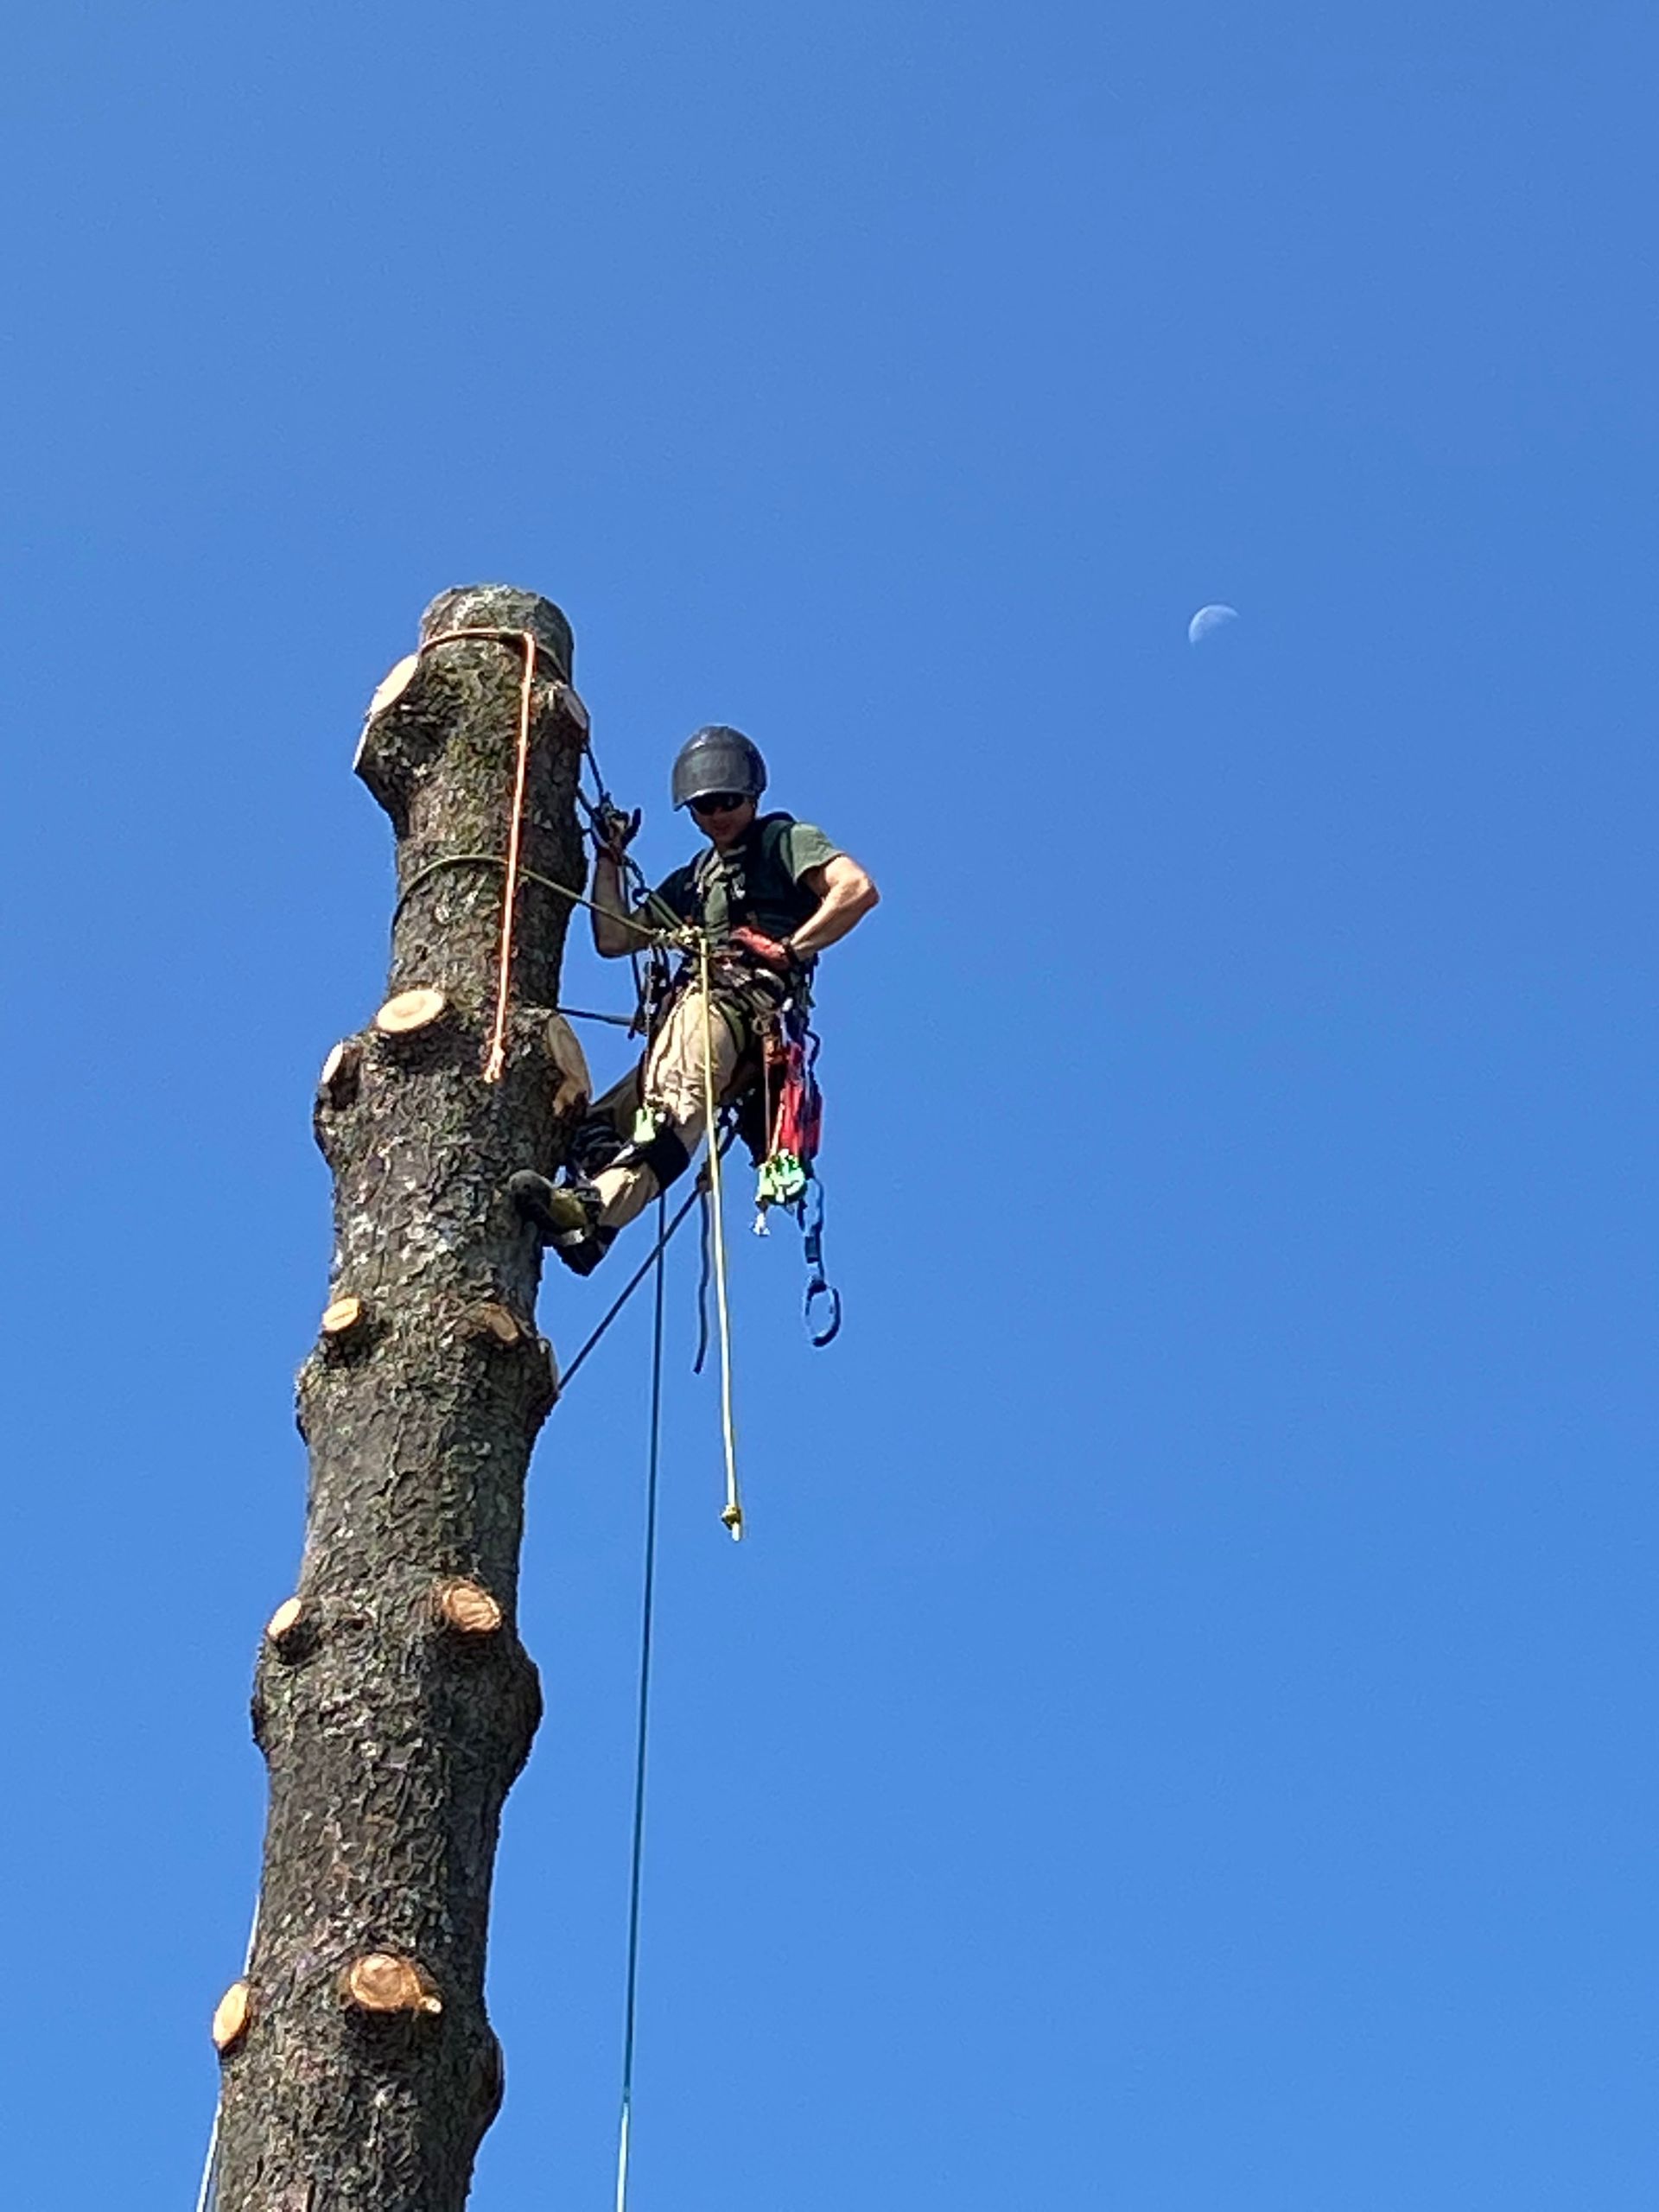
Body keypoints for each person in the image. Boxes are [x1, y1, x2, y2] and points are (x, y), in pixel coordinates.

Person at [511, 725, 879, 1274]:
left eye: (728, 801)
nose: (717, 814)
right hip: (692, 1013)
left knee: (673, 1111)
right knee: (594, 1126)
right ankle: (591, 1236)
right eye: (704, 806)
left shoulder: (784, 841)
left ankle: (588, 1210)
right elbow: (614, 939)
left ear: (752, 796)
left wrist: (790, 951)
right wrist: (608, 860)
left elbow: (855, 890)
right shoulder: (698, 879)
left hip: (736, 1006)